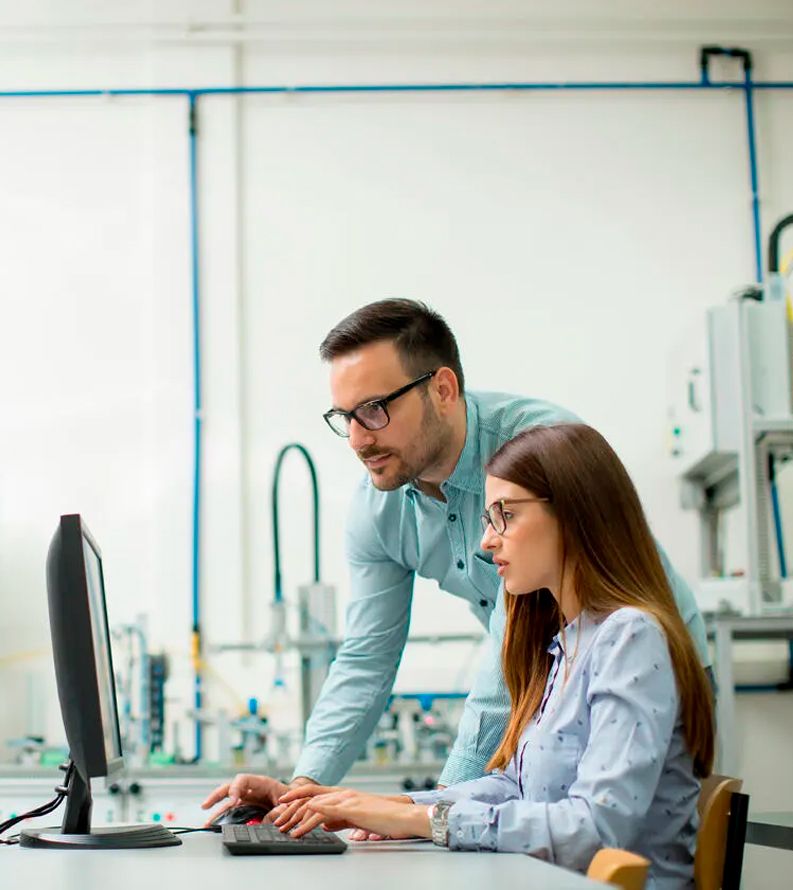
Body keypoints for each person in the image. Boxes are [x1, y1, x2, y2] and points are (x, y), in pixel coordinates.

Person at [202, 299, 711, 829]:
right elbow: (366, 658)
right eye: (345, 417)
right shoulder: (379, 505)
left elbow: (510, 651)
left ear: (442, 389)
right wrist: (303, 791)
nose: (357, 438)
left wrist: (435, 815)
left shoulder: (539, 453)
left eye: (375, 409)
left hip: (651, 673)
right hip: (550, 687)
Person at [269, 424, 715, 886]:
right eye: (487, 518)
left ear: (576, 514)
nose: (487, 540)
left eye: (506, 515)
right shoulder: (567, 643)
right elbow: (515, 787)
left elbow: (594, 829)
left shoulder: (630, 637)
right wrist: (390, 807)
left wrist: (424, 823)